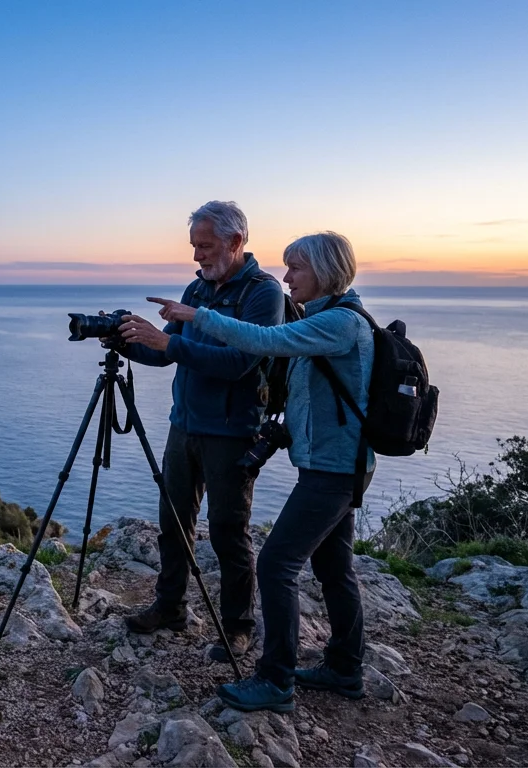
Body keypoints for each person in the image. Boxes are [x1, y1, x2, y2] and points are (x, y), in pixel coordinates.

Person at [147, 231, 375, 713]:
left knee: (277, 564)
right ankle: (344, 668)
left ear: (327, 272)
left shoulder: (339, 323)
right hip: (332, 465)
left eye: (298, 269)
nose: (288, 277)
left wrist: (196, 317)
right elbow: (311, 396)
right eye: (287, 268)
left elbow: (265, 341)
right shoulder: (327, 319)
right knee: (334, 567)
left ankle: (275, 681)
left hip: (333, 470)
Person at [114, 201, 285, 663]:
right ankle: (171, 607)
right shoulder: (198, 288)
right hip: (184, 424)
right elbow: (168, 352)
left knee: (230, 532)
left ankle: (238, 627)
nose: (197, 257)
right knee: (173, 522)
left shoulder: (262, 294)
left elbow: (240, 363)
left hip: (232, 431)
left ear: (235, 242)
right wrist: (127, 341)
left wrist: (167, 341)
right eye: (194, 247)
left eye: (205, 247)